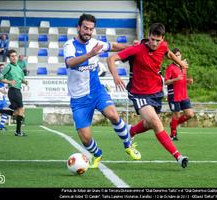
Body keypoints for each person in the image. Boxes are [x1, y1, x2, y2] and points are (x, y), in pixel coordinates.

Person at [63, 13, 141, 169]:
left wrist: (134, 47)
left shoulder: (95, 43)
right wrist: (90, 54)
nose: (88, 32)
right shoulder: (69, 45)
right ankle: (97, 154)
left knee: (113, 114)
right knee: (85, 139)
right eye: (85, 28)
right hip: (79, 99)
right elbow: (70, 62)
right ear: (78, 27)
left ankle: (128, 145)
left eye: (91, 29)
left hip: (97, 91)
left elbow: (113, 46)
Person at [107, 23, 189, 168]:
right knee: (156, 122)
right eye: (152, 39)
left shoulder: (163, 46)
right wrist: (115, 76)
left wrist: (180, 62)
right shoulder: (137, 49)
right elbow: (111, 59)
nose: (155, 43)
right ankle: (178, 157)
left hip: (156, 91)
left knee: (149, 124)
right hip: (139, 93)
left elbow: (168, 53)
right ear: (148, 36)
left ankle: (130, 131)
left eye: (158, 40)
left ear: (162, 38)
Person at [0, 49, 28, 136]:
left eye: (15, 55)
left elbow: (20, 79)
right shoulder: (8, 67)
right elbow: (0, 78)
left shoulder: (18, 67)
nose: (14, 57)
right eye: (12, 56)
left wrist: (24, 82)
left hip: (18, 90)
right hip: (13, 91)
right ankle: (18, 132)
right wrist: (9, 82)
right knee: (21, 110)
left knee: (17, 112)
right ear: (9, 58)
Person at [164, 48, 194, 141]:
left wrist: (188, 80)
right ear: (172, 57)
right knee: (176, 115)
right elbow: (166, 82)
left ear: (181, 55)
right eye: (175, 55)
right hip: (174, 95)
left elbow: (182, 80)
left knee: (190, 114)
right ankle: (173, 134)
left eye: (178, 55)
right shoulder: (170, 68)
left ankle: (174, 123)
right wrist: (175, 79)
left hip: (184, 95)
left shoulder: (183, 67)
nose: (177, 56)